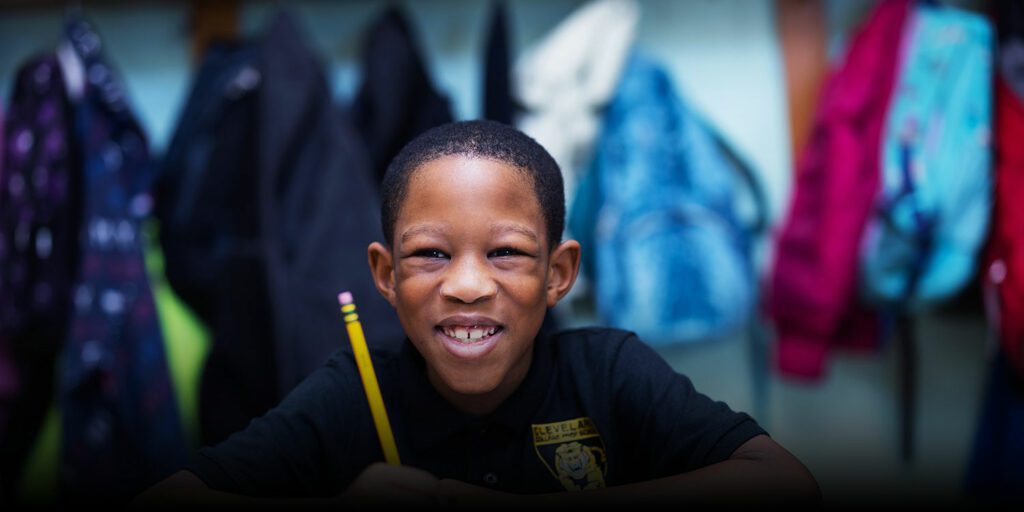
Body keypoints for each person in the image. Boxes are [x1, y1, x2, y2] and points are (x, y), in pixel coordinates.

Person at [134, 120, 820, 507]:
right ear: (386, 275)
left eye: (506, 254)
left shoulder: (607, 371)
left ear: (559, 274)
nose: (466, 286)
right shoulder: (353, 393)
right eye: (430, 254)